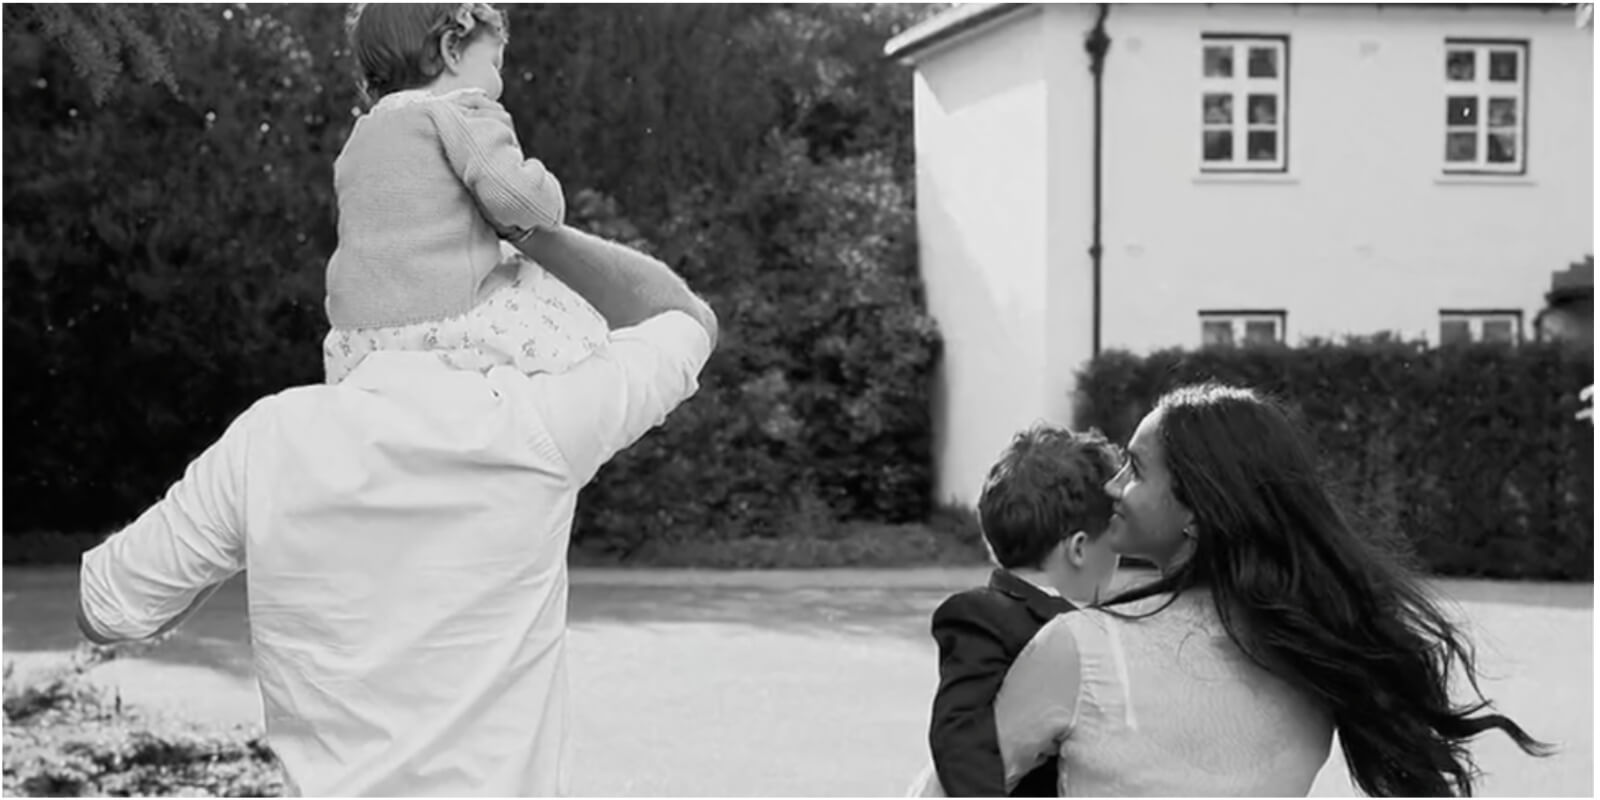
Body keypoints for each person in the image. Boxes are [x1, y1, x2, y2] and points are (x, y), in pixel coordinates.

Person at [76, 225, 718, 796]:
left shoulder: (272, 438)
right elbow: (685, 321)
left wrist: (238, 535)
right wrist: (531, 227)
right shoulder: (536, 424)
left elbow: (105, 610)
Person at [988, 383, 1549, 796]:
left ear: (1197, 510)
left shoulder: (1082, 648)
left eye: (1134, 470)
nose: (1113, 488)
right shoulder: (1316, 656)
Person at [324, 3, 607, 384]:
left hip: (355, 340)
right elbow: (519, 200)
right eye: (494, 64)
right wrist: (547, 190)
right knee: (560, 302)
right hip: (443, 326)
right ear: (451, 50)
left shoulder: (362, 137)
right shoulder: (459, 114)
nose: (499, 83)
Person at [914, 425, 1121, 797]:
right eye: (1114, 544)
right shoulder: (985, 617)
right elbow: (958, 731)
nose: (1119, 560)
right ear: (1079, 549)